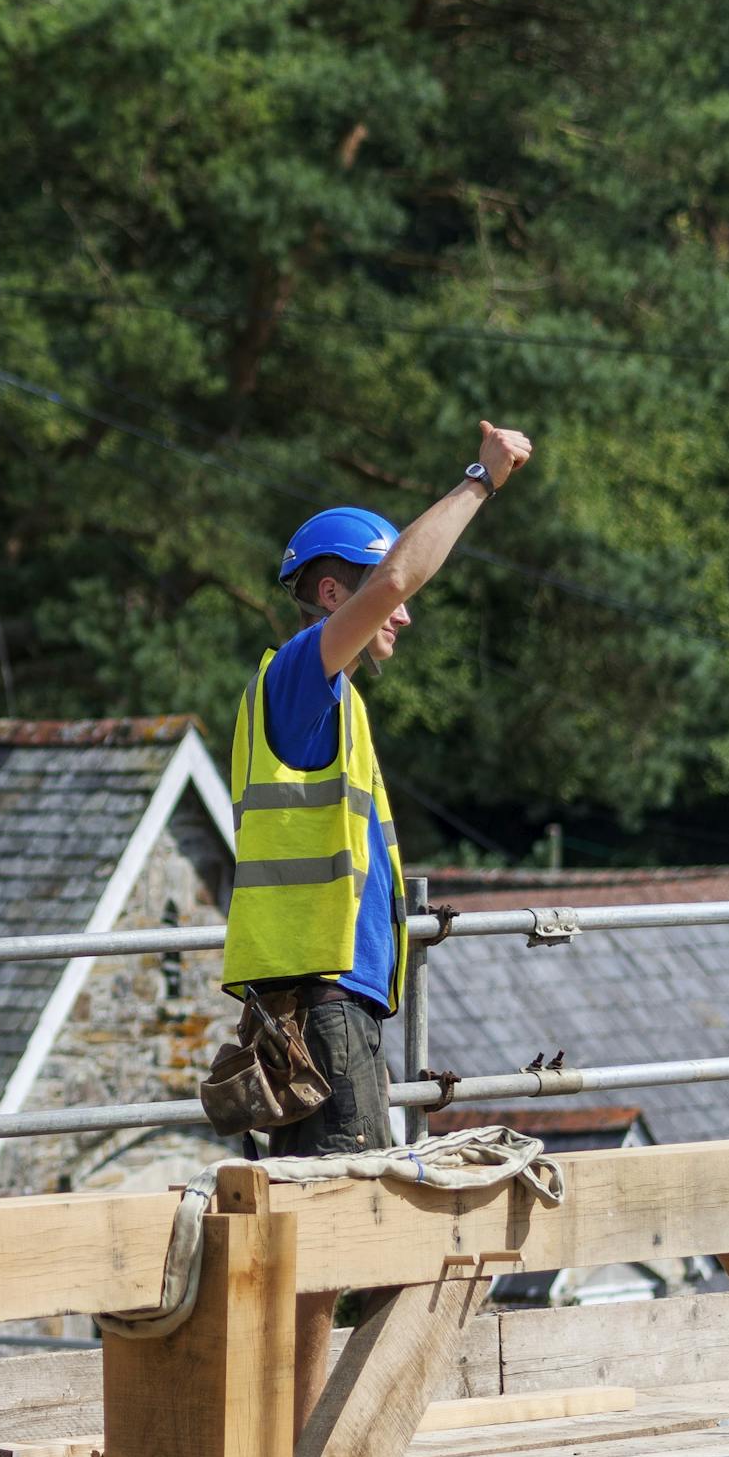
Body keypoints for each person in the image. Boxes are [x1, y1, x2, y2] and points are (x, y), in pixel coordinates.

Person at [216, 421, 534, 1156]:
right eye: (381, 587)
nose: (404, 609)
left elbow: (391, 582)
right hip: (322, 1011)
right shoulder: (300, 674)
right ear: (332, 592)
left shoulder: (331, 700)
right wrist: (478, 481)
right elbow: (398, 577)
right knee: (354, 1231)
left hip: (318, 1010)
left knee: (320, 1236)